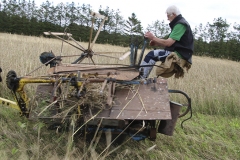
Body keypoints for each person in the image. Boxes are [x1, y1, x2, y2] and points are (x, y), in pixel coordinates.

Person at [140, 5, 194, 78]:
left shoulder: (180, 24)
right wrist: (157, 43)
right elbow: (173, 44)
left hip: (179, 54)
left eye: (168, 16)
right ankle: (142, 77)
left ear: (174, 14)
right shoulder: (180, 23)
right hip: (180, 52)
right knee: (153, 54)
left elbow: (168, 43)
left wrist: (153, 37)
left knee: (152, 55)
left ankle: (140, 78)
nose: (167, 18)